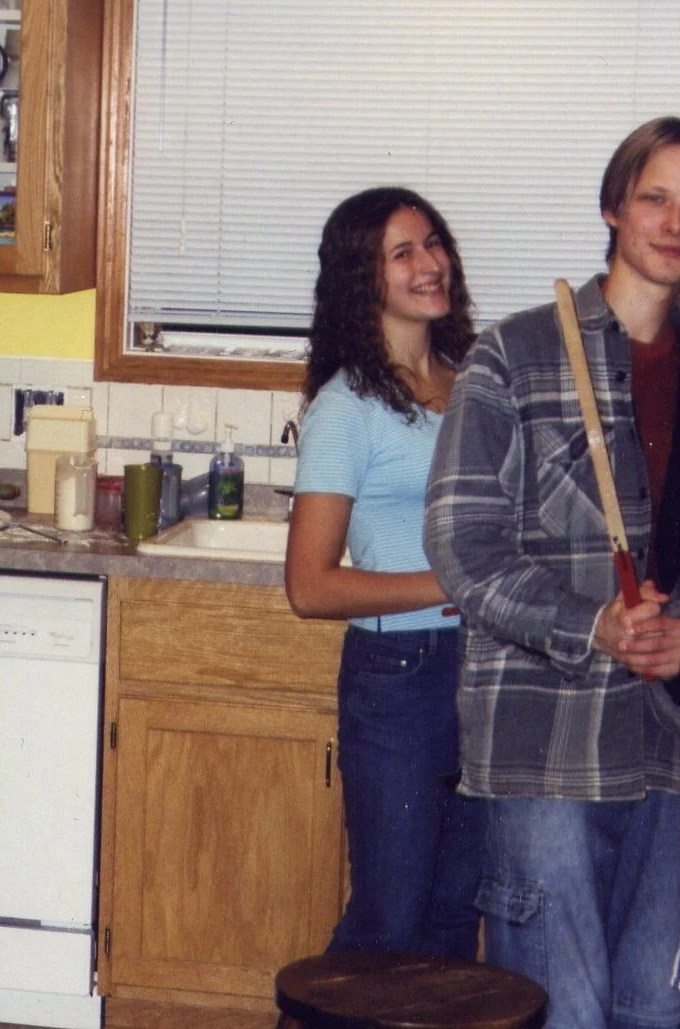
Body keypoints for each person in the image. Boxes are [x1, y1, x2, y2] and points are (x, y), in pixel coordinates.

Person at [423, 117, 680, 1029]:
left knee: (651, 1008)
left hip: (661, 737)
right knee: (561, 1009)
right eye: (656, 195)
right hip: (542, 739)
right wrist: (594, 625)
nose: (675, 220)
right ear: (613, 207)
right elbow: (461, 543)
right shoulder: (515, 355)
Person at [284, 187, 483, 959]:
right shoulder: (347, 407)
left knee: (449, 920)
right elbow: (310, 585)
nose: (431, 264)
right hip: (399, 675)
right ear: (361, 278)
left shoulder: (471, 386)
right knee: (388, 922)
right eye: (403, 253)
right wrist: (453, 582)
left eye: (434, 243)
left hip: (484, 669)